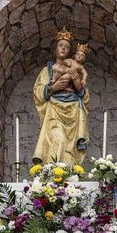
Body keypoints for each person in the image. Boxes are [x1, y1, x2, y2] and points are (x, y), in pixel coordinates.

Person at [32, 28, 90, 165]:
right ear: (55, 49)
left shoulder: (76, 68)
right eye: (61, 45)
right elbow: (38, 92)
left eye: (67, 47)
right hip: (54, 111)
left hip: (74, 110)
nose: (63, 48)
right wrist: (52, 88)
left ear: (71, 51)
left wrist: (76, 81)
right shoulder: (47, 70)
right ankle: (52, 174)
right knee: (58, 139)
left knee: (69, 150)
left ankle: (69, 177)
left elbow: (84, 95)